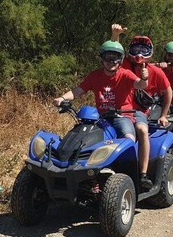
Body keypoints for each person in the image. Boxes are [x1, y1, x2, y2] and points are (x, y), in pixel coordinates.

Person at [53, 40, 150, 181]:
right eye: (108, 57)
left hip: (122, 116)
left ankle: (139, 174)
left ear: (121, 60)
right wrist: (62, 98)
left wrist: (144, 78)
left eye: (115, 57)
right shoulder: (95, 75)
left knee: (128, 140)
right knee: (82, 140)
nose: (111, 61)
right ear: (102, 58)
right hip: (100, 118)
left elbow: (140, 85)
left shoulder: (126, 74)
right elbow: (78, 91)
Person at [110, 25, 172, 189]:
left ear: (149, 52)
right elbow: (113, 54)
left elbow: (168, 92)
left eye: (143, 49)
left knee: (142, 131)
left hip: (138, 112)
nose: (139, 53)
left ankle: (142, 174)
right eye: (136, 48)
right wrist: (115, 35)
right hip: (116, 109)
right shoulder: (123, 67)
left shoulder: (155, 72)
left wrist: (164, 115)